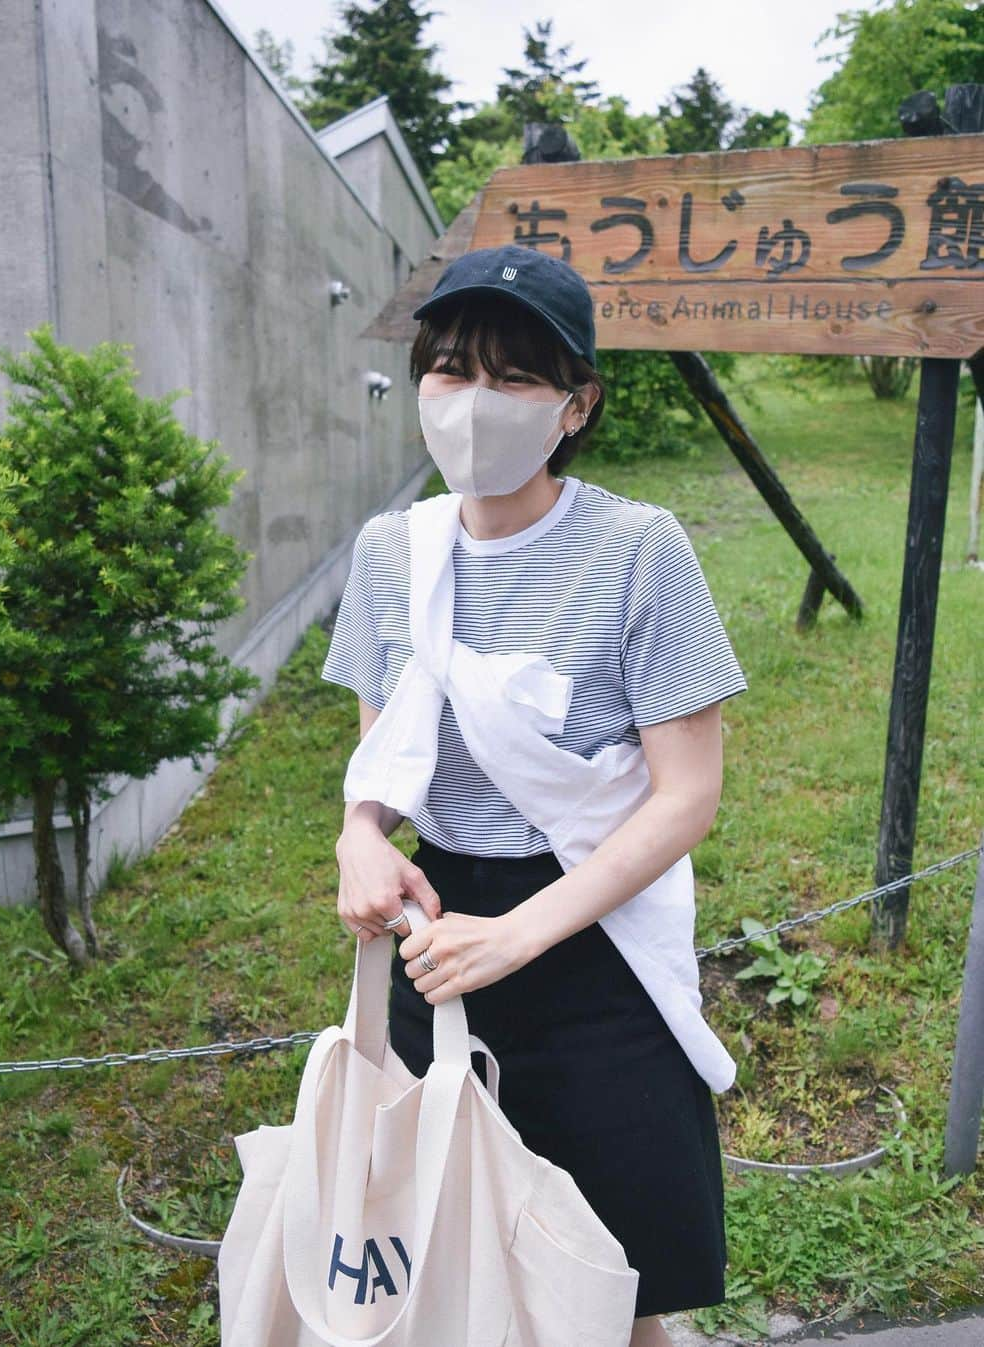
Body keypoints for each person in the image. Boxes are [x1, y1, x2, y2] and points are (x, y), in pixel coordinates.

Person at [320, 242, 749, 1347]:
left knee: (615, 1282)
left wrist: (521, 935)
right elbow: (381, 765)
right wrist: (359, 839)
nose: (474, 402)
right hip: (439, 936)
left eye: (513, 378)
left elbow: (686, 795)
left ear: (575, 405)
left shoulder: (638, 550)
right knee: (450, 1257)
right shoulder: (388, 553)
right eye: (451, 369)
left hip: (595, 935)